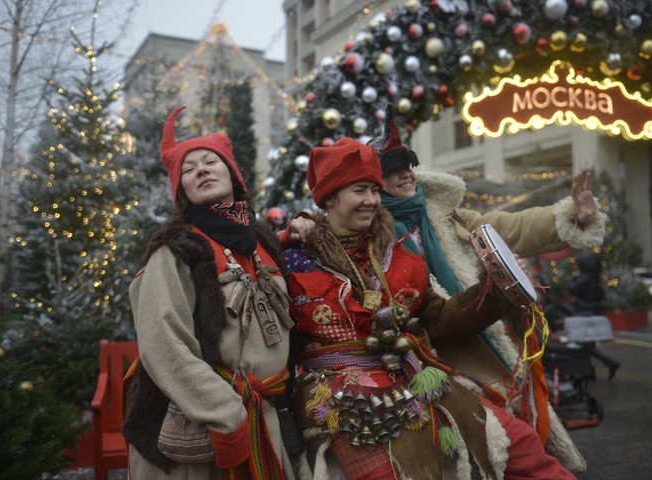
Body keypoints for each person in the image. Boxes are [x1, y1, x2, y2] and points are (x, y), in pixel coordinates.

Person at [283, 137, 576, 479]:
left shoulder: (403, 255)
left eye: (375, 191)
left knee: (520, 444)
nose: (371, 201)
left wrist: (495, 290)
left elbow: (439, 320)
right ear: (329, 197)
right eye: (359, 190)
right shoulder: (292, 259)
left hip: (416, 378)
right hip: (337, 395)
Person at [122, 106, 296, 479]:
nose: (201, 169)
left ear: (233, 175)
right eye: (188, 168)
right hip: (198, 435)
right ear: (181, 190)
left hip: (264, 422)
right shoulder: (176, 250)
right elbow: (163, 345)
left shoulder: (261, 240)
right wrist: (225, 412)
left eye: (210, 162)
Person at [565, 251, 621, 380]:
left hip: (583, 313)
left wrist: (575, 277)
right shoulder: (595, 277)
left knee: (583, 343)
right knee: (587, 343)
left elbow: (571, 288)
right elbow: (601, 295)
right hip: (593, 311)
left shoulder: (584, 277)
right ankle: (590, 371)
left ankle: (609, 362)